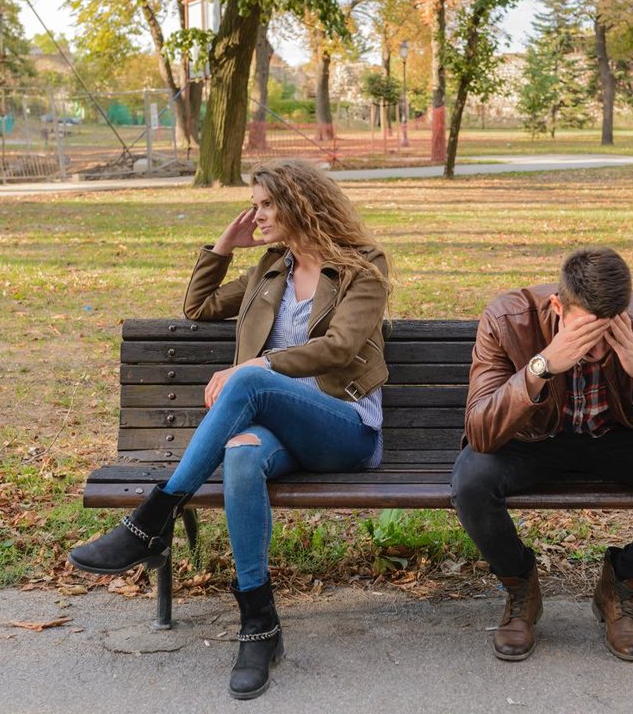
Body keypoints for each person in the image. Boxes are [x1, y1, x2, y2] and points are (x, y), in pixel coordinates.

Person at [68, 159, 392, 699]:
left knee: (249, 381)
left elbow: (340, 348)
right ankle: (259, 626)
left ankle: (154, 517)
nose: (256, 214)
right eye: (256, 205)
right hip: (276, 429)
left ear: (298, 204)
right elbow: (197, 307)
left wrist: (256, 366)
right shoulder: (270, 270)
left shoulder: (363, 266)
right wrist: (223, 246)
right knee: (241, 454)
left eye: (266, 204)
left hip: (345, 427)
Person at [451, 247, 633, 663]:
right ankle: (521, 587)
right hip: (535, 441)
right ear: (559, 306)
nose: (595, 350)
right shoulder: (508, 318)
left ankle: (622, 584)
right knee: (471, 480)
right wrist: (541, 367)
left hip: (619, 439)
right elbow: (481, 433)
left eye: (607, 334)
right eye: (584, 333)